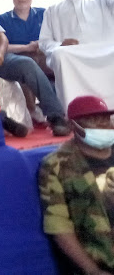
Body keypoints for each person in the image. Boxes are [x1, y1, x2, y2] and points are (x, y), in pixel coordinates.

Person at [38, 96, 114, 274]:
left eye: (106, 120)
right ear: (74, 126)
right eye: (94, 122)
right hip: (102, 262)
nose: (105, 126)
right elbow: (59, 226)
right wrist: (93, 270)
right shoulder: (57, 165)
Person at [0, 11, 70, 137]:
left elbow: (1, 37)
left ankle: (56, 116)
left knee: (27, 64)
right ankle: (3, 121)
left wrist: (0, 53)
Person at [40, 0, 114, 109]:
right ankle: (75, 112)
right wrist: (60, 45)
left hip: (106, 50)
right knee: (59, 54)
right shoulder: (52, 10)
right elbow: (44, 42)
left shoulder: (101, 0)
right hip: (74, 55)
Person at [0, 0, 50, 73]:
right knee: (28, 65)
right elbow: (0, 46)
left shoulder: (43, 13)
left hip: (42, 52)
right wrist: (26, 48)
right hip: (18, 56)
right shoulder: (2, 19)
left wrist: (40, 44)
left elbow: (53, 36)